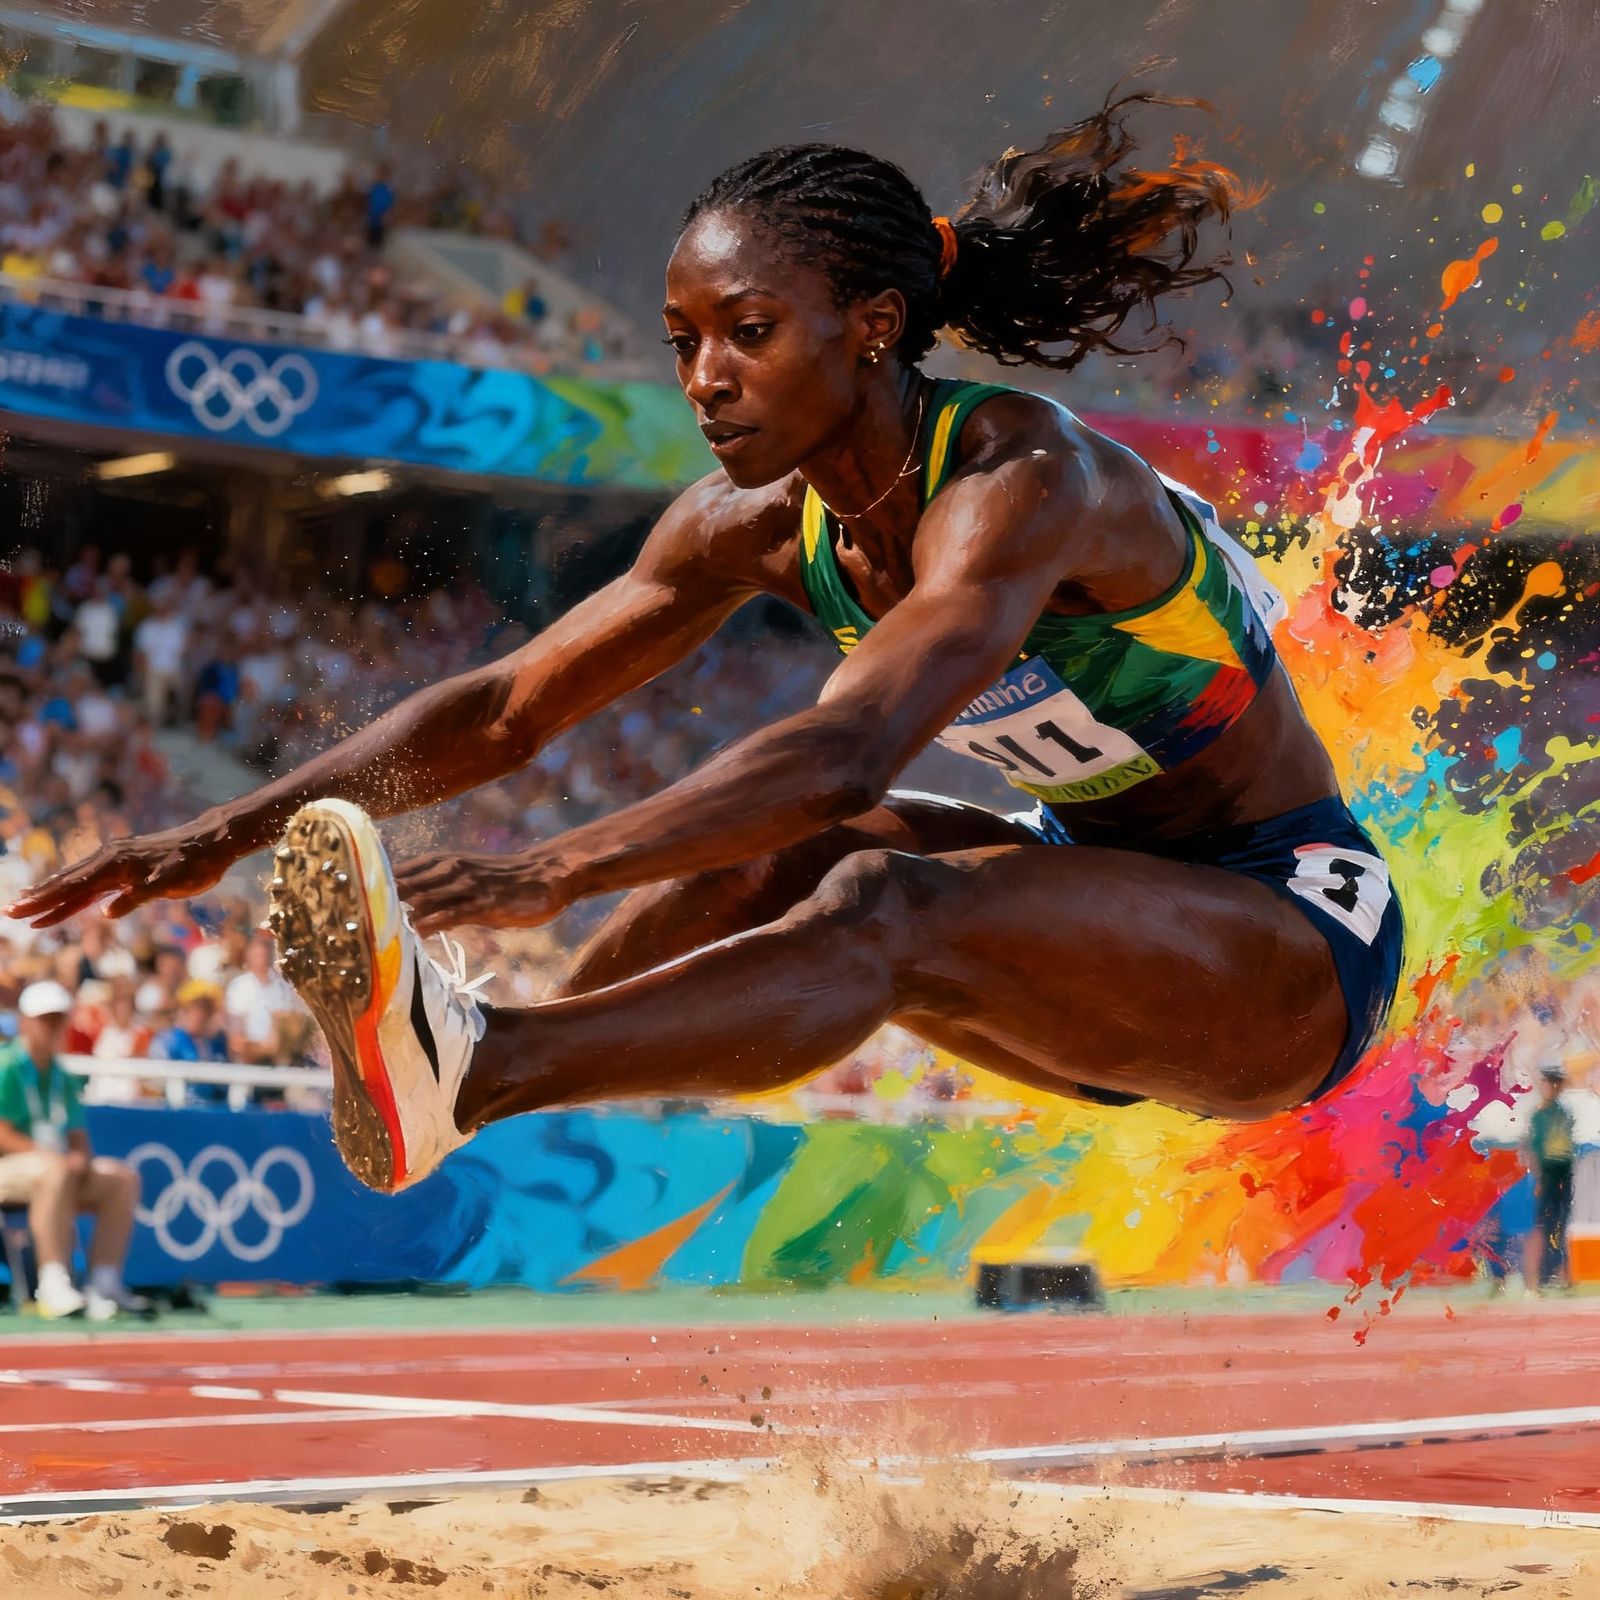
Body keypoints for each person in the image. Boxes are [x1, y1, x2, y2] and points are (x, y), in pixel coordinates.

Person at [5, 95, 1405, 1197]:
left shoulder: (1020, 477)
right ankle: (444, 1058)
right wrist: (222, 830)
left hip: (1287, 937)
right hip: (1078, 900)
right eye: (683, 340)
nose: (704, 379)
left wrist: (550, 865)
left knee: (875, 893)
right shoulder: (746, 524)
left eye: (747, 333)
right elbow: (501, 711)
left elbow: (845, 745)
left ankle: (479, 1068)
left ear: (871, 332)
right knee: (767, 852)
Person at [0, 982, 149, 1318]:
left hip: (53, 1169)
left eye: (58, 1019)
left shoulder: (62, 1075)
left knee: (121, 1179)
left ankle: (104, 1282)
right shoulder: (6, 1065)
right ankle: (53, 1284)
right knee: (54, 1170)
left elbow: (77, 1137)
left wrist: (79, 1160)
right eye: (44, 1020)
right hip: (12, 1170)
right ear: (25, 1022)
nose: (52, 1028)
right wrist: (51, 1158)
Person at [1525, 1064, 1576, 1293]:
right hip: (1546, 1174)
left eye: (1556, 1084)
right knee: (1545, 1224)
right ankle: (1545, 1275)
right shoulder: (1539, 1115)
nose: (1552, 1088)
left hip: (1563, 1173)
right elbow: (1532, 1149)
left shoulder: (1563, 1114)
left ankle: (1560, 1274)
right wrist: (1536, 1178)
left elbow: (1567, 1148)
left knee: (1561, 1223)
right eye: (1549, 1083)